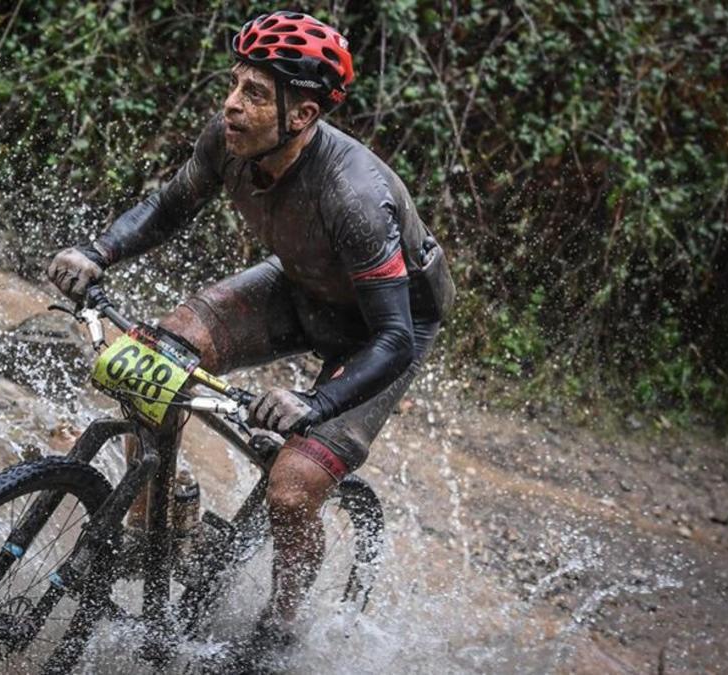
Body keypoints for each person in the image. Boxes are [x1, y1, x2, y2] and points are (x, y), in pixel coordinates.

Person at [47, 9, 454, 666]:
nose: (231, 105)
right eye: (235, 84)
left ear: (302, 115)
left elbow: (396, 336)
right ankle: (160, 520)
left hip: (381, 329)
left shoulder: (354, 195)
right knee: (154, 356)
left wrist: (310, 405)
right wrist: (98, 253)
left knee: (291, 488)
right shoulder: (229, 140)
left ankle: (280, 624)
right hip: (300, 286)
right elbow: (168, 207)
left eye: (255, 94)